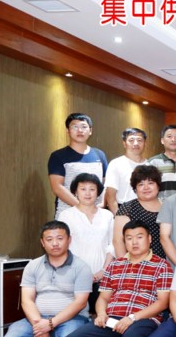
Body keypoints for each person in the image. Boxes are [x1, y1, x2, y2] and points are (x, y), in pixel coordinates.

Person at [0, 221, 93, 337]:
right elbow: (27, 300)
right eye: (49, 239)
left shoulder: (81, 267)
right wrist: (39, 325)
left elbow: (80, 302)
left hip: (72, 318)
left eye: (60, 238)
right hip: (37, 318)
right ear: (42, 242)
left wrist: (50, 324)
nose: (55, 243)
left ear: (69, 240)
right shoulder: (33, 266)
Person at [59, 173, 114, 312]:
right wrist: (80, 273)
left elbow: (112, 245)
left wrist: (103, 271)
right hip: (74, 276)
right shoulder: (66, 216)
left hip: (103, 277)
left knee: (101, 314)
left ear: (98, 192)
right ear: (75, 192)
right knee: (76, 314)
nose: (87, 193)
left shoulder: (107, 215)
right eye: (83, 189)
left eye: (92, 189)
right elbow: (62, 247)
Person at [48, 112, 108, 218]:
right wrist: (81, 207)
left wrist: (102, 203)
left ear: (90, 131)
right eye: (75, 127)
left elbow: (105, 183)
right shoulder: (58, 156)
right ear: (68, 131)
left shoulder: (99, 154)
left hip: (96, 213)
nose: (80, 130)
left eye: (84, 127)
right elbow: (57, 187)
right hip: (68, 214)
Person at [114, 164, 165, 262]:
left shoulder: (168, 206)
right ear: (135, 189)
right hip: (136, 264)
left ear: (158, 185)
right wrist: (125, 266)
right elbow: (118, 241)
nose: (146, 187)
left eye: (150, 183)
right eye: (141, 184)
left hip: (166, 263)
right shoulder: (127, 208)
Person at [103, 127, 147, 212]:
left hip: (146, 210)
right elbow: (110, 196)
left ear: (145, 143)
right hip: (123, 209)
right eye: (131, 140)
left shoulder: (150, 165)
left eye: (139, 140)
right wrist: (117, 216)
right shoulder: (116, 164)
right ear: (124, 144)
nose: (136, 143)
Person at [147, 124, 176, 199]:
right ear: (162, 140)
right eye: (169, 136)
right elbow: (148, 187)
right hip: (160, 205)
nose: (173, 139)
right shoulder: (153, 163)